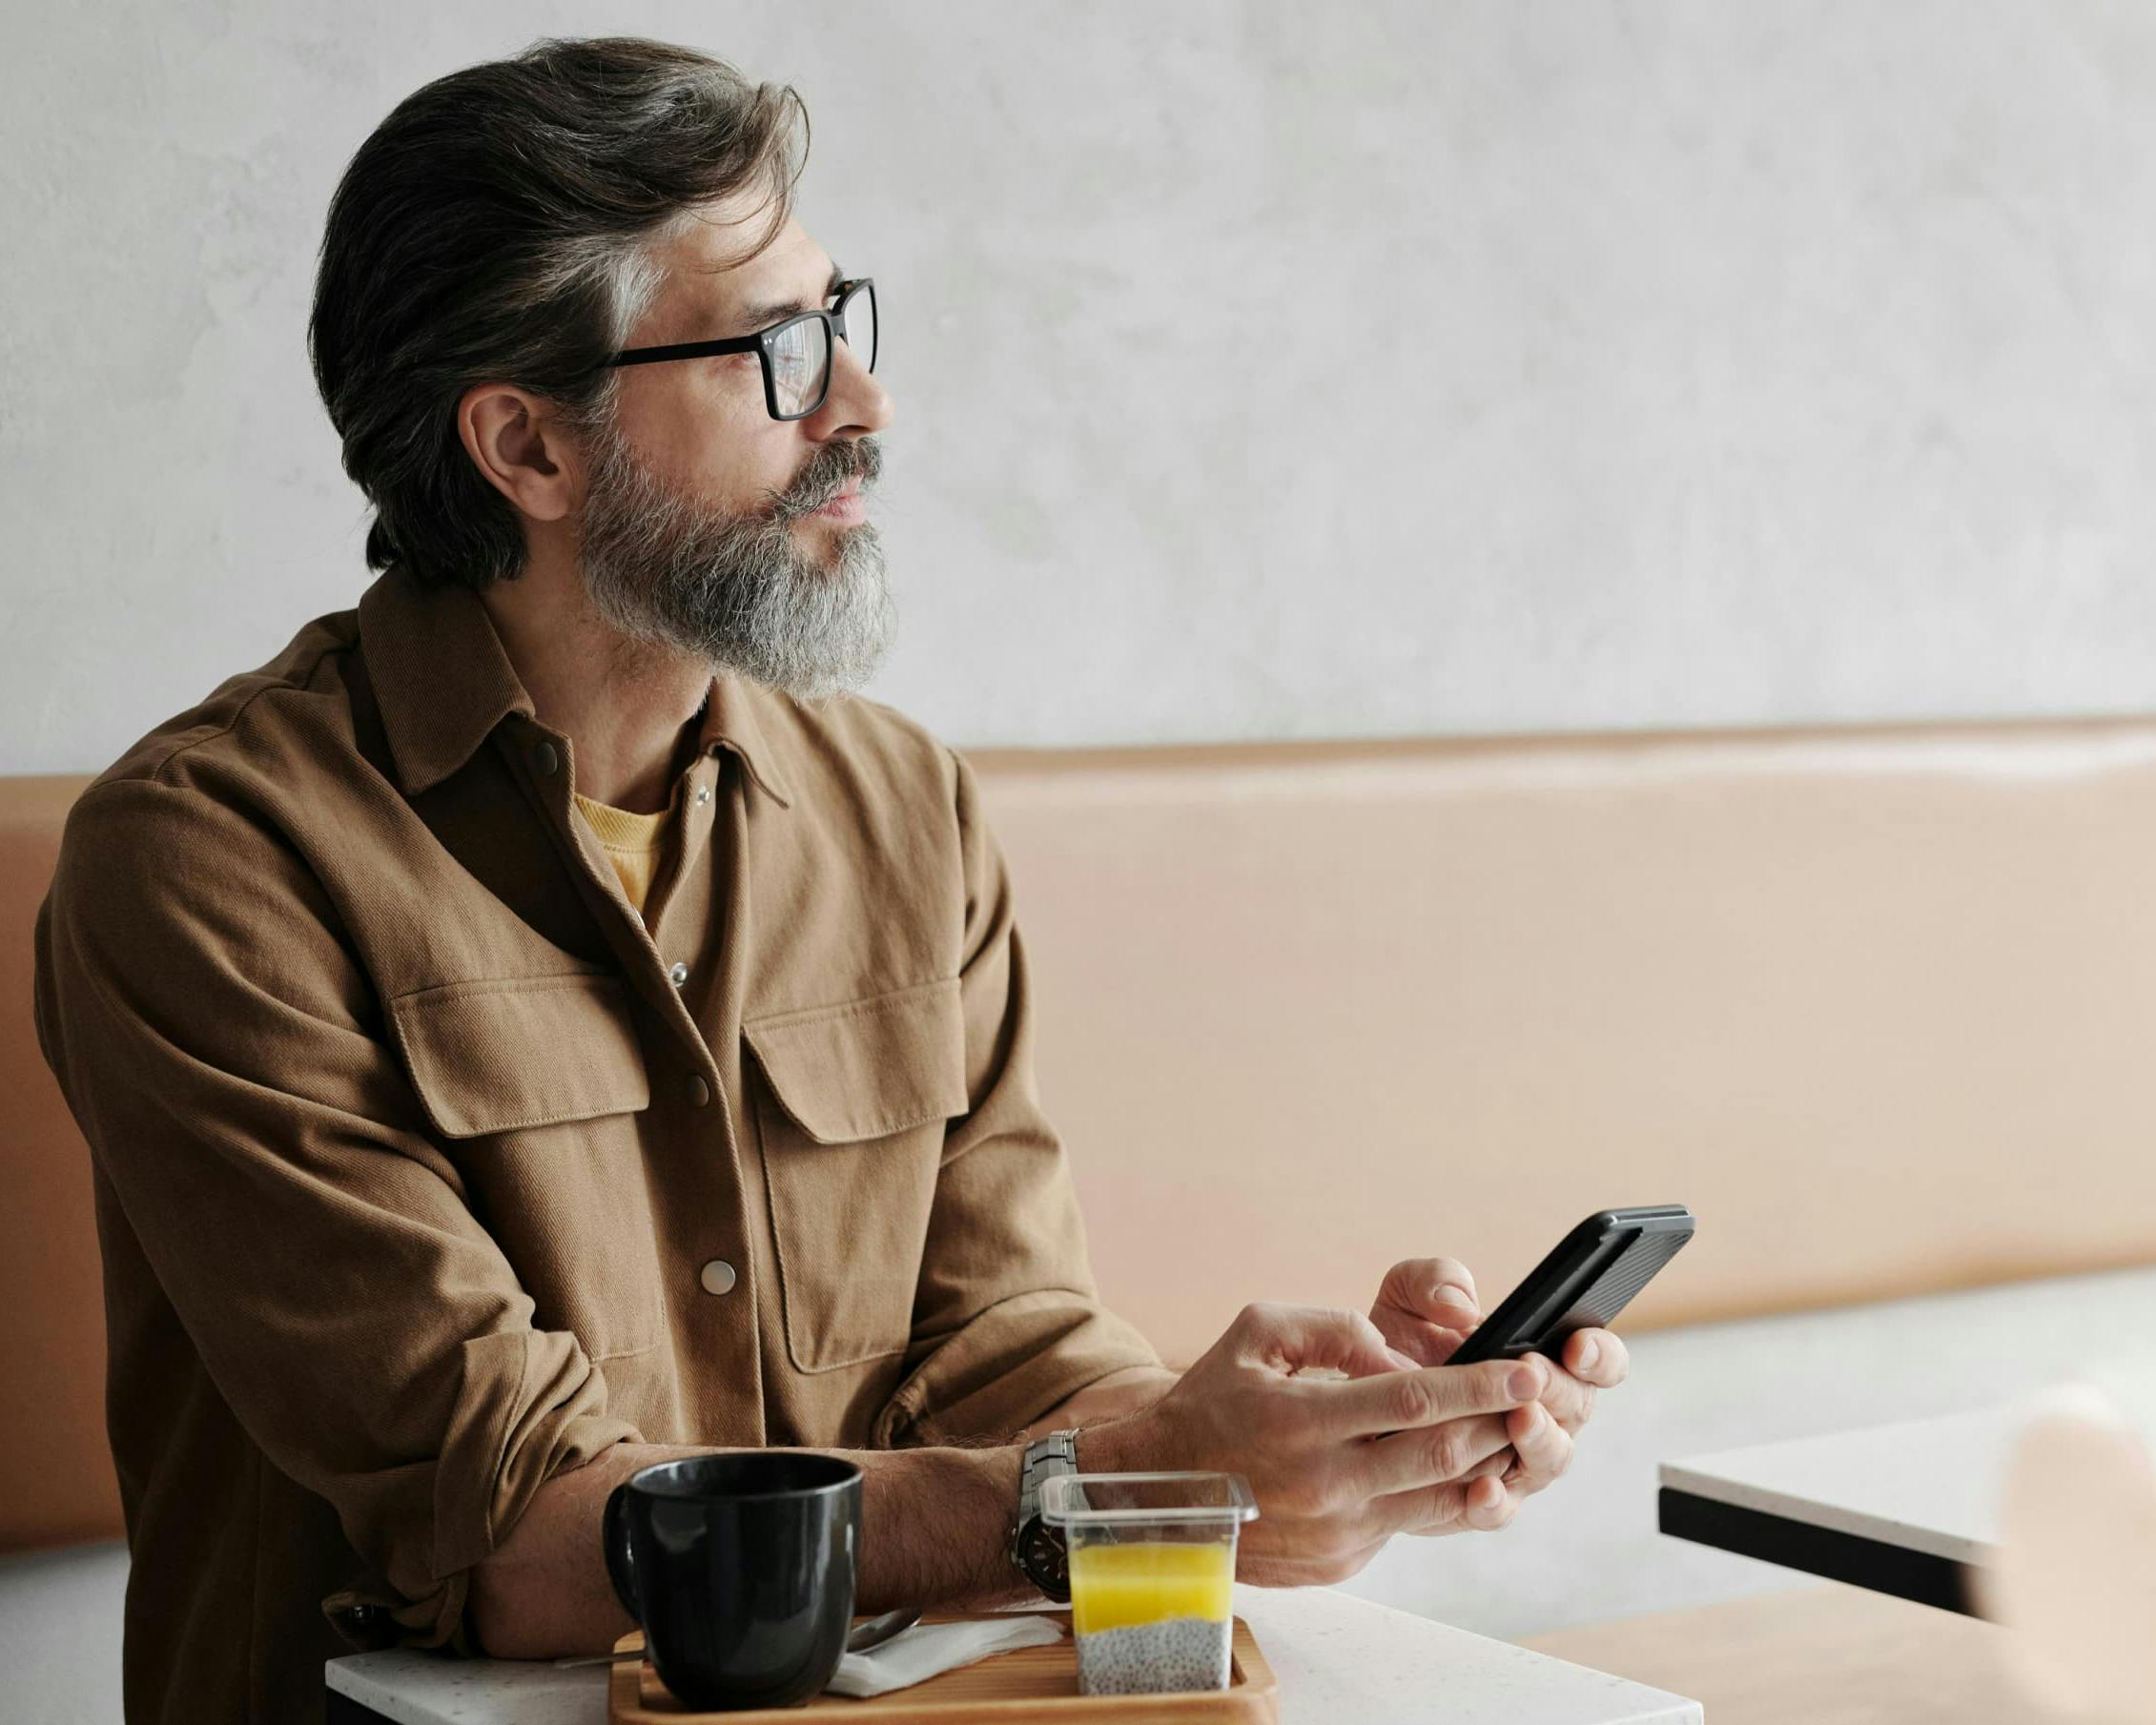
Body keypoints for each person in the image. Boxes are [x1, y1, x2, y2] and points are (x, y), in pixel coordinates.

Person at [31, 35, 1629, 1725]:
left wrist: (1277, 1453)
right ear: (529, 450)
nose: (863, 404)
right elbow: (516, 1538)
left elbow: (1003, 1338)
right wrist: (1104, 1484)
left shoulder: (899, 805)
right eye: (778, 354)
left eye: (843, 319)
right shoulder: (210, 864)